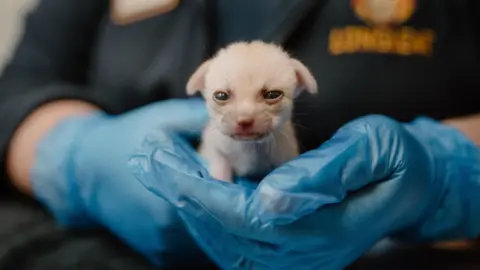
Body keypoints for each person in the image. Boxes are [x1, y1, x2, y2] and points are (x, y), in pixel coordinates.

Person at [0, 0, 479, 269]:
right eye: (224, 99)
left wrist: (448, 173)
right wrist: (75, 155)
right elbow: (20, 88)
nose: (246, 116)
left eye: (271, 97)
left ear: (297, 84)